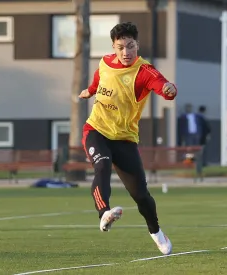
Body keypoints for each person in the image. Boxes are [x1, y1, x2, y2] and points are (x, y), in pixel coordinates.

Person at [78, 22, 176, 255]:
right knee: (101, 166)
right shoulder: (104, 62)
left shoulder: (144, 71)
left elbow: (162, 85)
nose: (125, 52)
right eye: (120, 47)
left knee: (141, 195)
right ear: (113, 47)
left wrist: (170, 90)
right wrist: (89, 91)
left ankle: (156, 233)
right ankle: (104, 214)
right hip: (96, 130)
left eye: (130, 46)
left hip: (124, 138)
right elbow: (97, 81)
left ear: (137, 45)